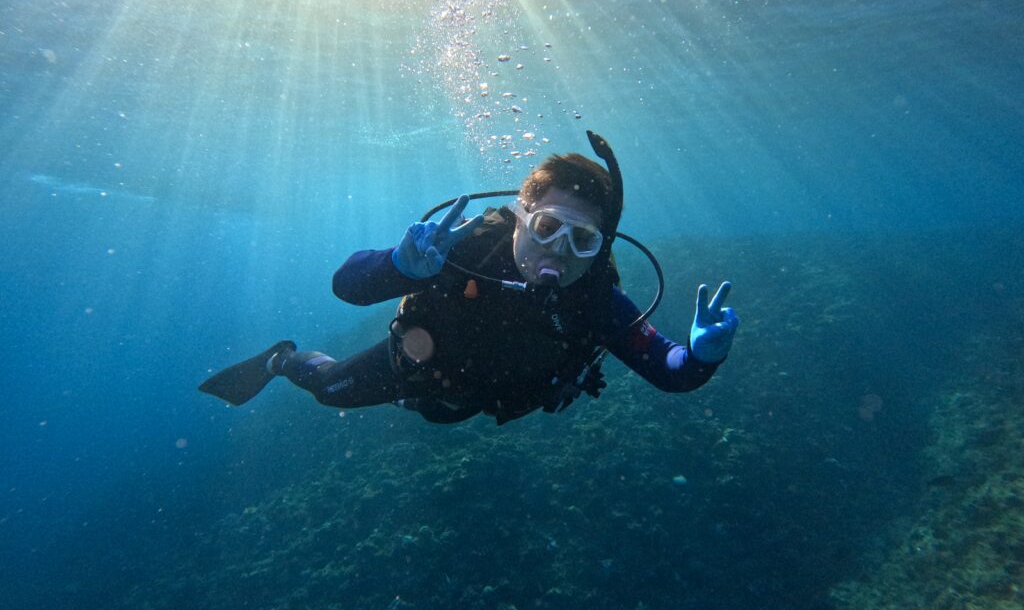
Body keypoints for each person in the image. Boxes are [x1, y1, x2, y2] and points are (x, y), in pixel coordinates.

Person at [199, 132, 739, 425]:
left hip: (489, 397)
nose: (560, 253)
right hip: (420, 369)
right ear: (521, 215)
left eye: (583, 241)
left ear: (600, 248)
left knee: (447, 422)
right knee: (327, 389)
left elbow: (674, 371)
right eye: (549, 227)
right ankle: (280, 359)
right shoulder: (464, 250)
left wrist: (701, 356)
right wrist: (399, 267)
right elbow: (346, 285)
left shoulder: (594, 298)